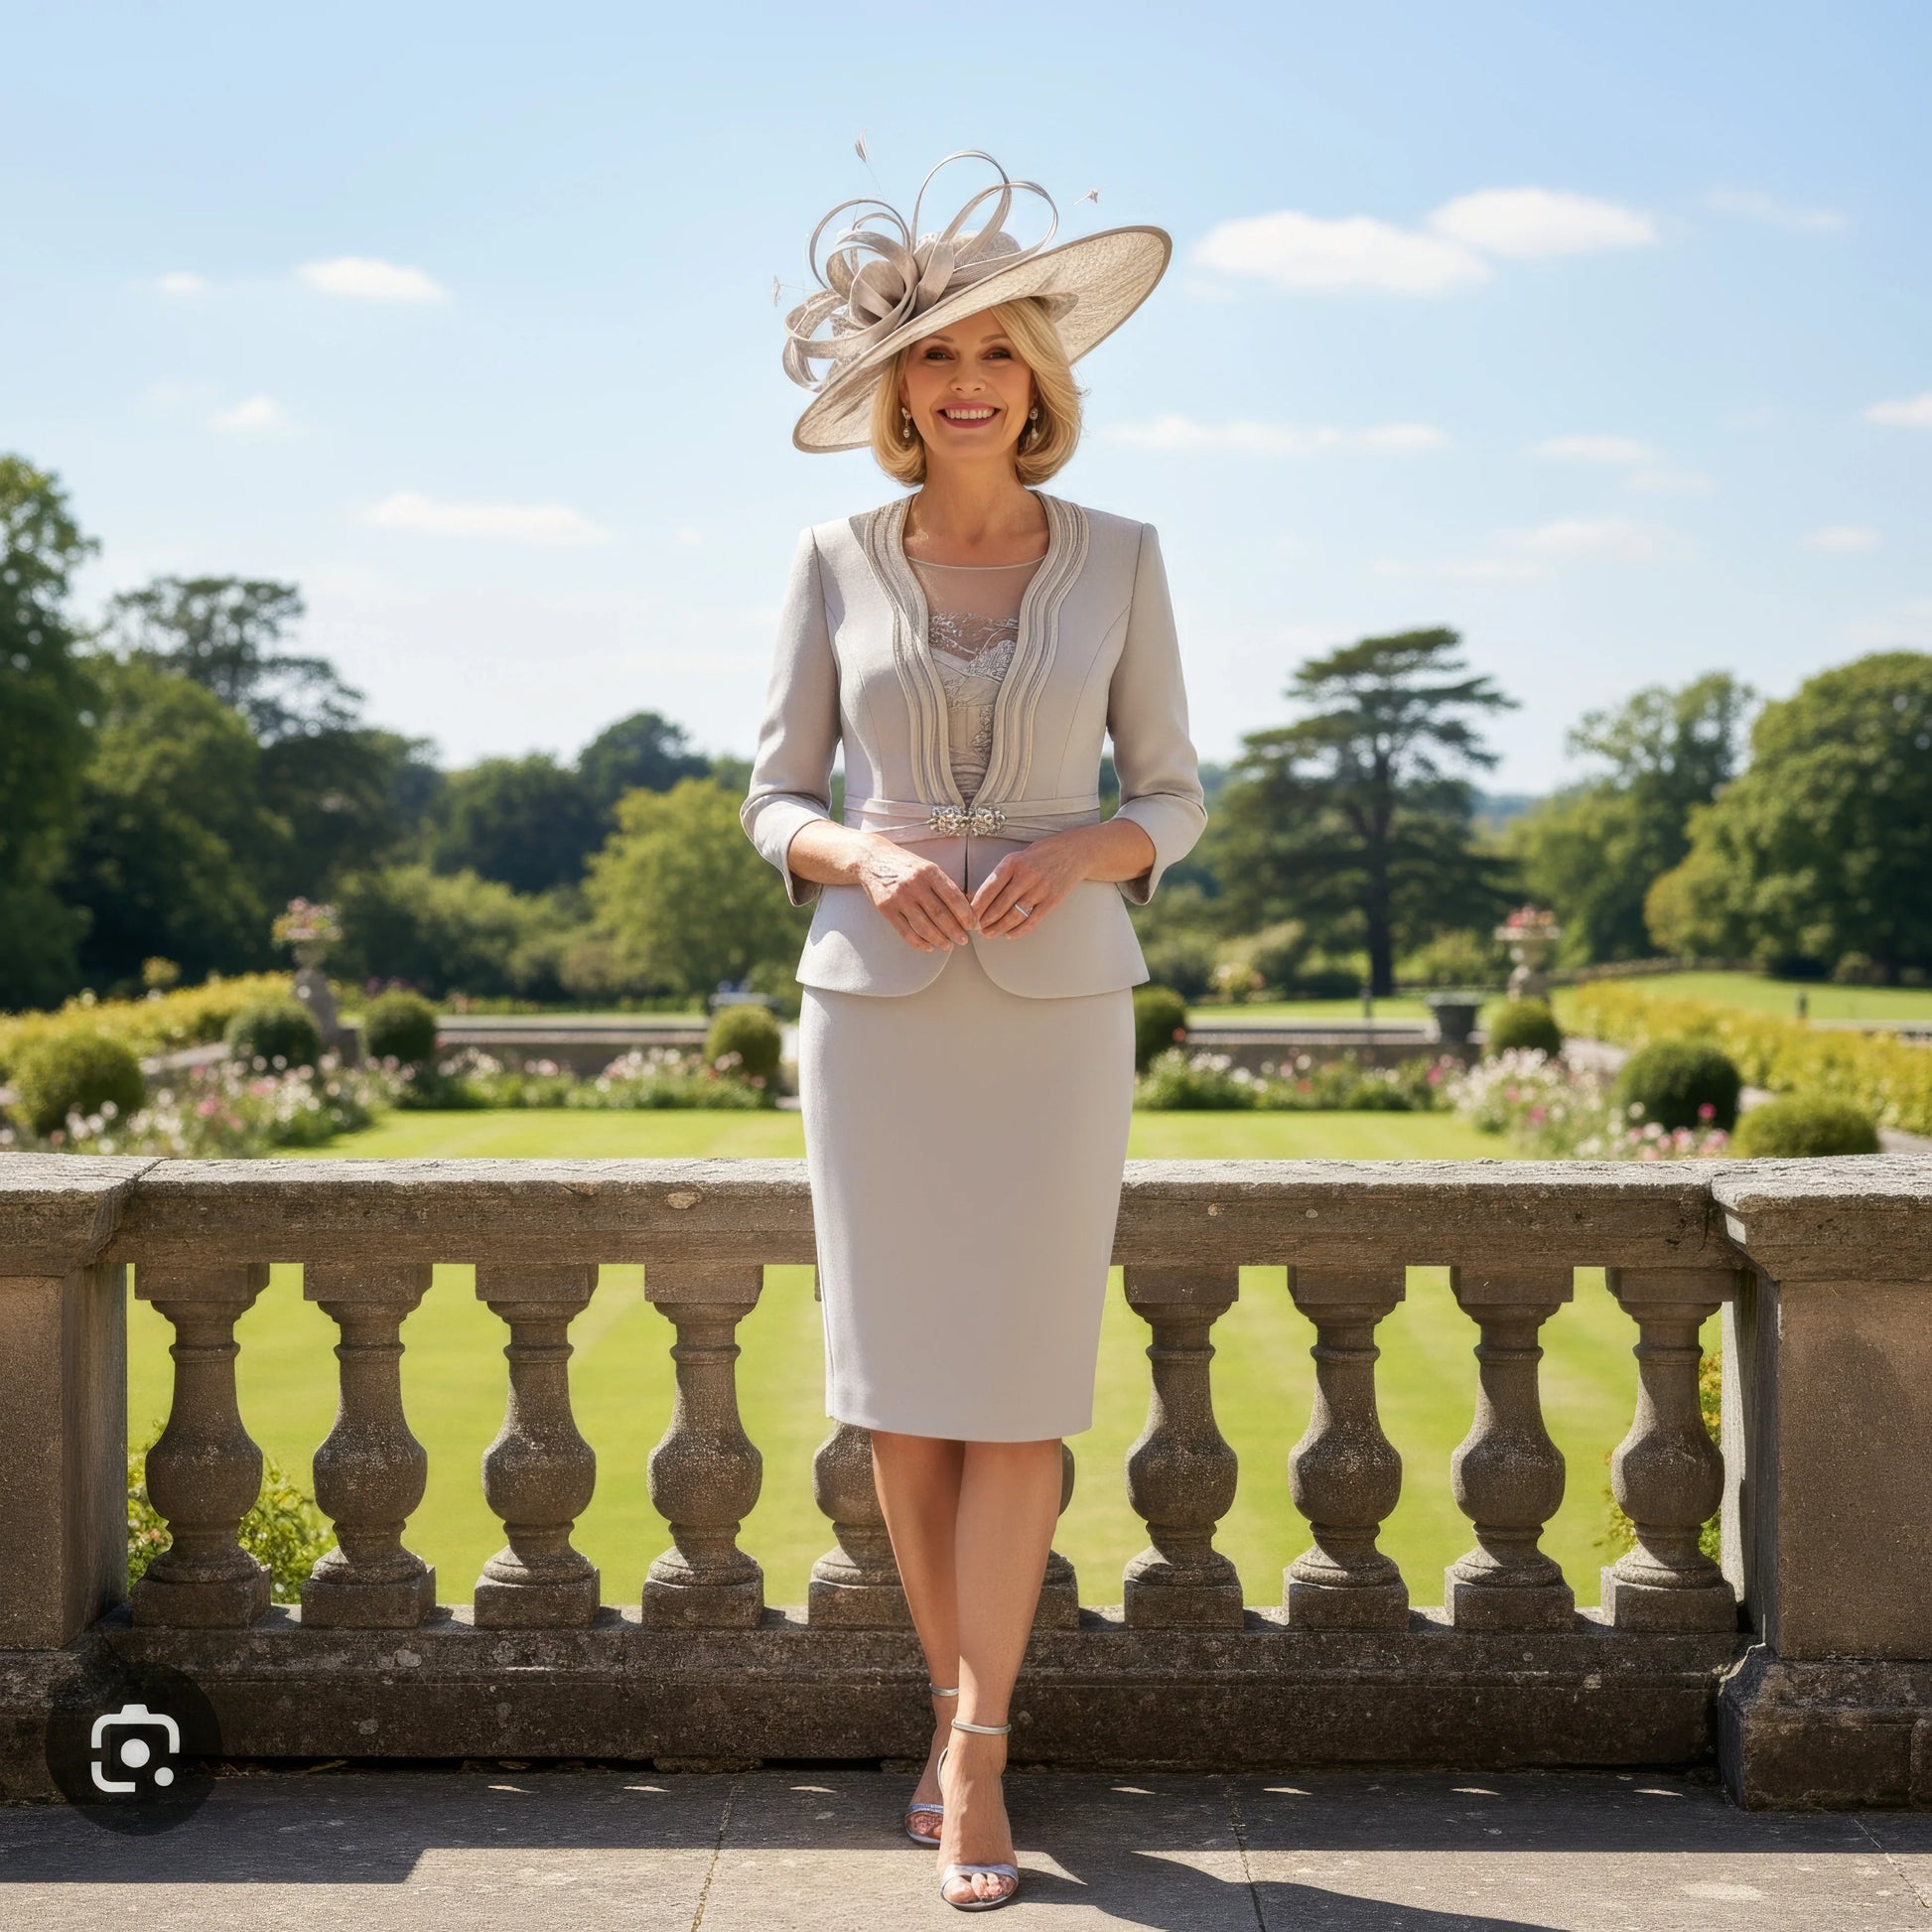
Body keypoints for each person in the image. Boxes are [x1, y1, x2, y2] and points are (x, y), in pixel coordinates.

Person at [741, 150, 1207, 1912]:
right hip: (872, 1019)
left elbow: (1175, 788)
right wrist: (848, 846)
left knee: (1015, 1396)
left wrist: (1100, 841)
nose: (964, 384)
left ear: (1037, 384)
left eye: (996, 355)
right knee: (900, 1409)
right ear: (893, 391)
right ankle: (956, 1715)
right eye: (934, 360)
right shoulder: (828, 557)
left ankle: (979, 1751)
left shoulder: (1126, 558)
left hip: (1057, 1019)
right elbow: (769, 792)